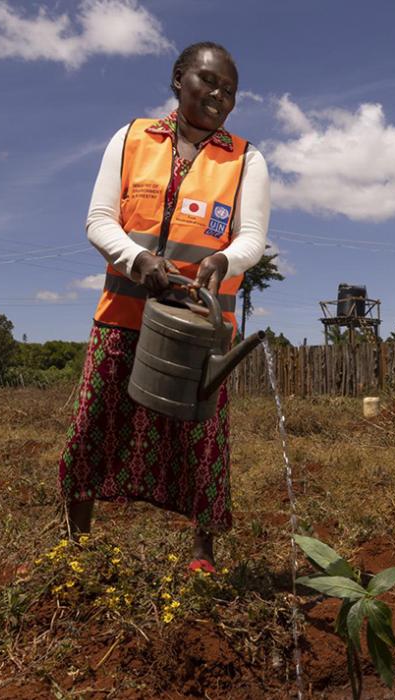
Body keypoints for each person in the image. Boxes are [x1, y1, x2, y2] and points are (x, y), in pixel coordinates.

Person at [58, 42, 269, 573]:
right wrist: (136, 260)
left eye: (230, 91)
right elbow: (99, 219)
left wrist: (223, 261)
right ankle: (75, 548)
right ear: (179, 79)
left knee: (202, 439)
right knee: (94, 427)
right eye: (208, 81)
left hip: (199, 327)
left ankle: (202, 555)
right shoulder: (130, 139)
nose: (219, 95)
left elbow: (253, 241)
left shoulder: (247, 159)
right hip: (123, 317)